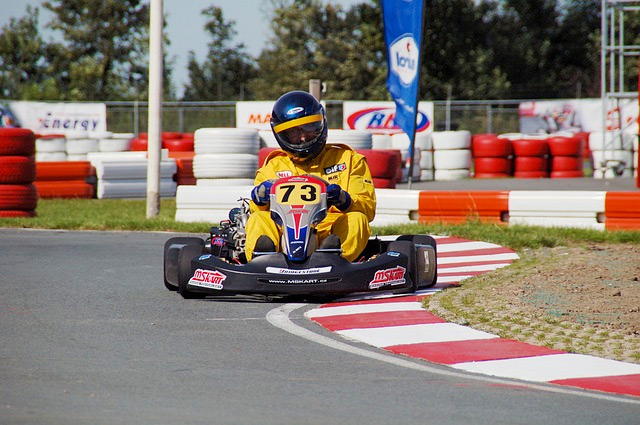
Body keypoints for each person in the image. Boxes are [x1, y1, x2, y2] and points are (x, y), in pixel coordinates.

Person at [245, 90, 376, 262]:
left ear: (321, 124)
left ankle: (334, 259)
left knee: (357, 219)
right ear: (280, 134)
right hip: (285, 235)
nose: (303, 136)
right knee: (258, 218)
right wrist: (260, 198)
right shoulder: (273, 167)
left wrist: (344, 199)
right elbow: (256, 211)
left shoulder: (349, 160)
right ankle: (263, 260)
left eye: (309, 127)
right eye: (293, 131)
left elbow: (368, 208)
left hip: (331, 234)